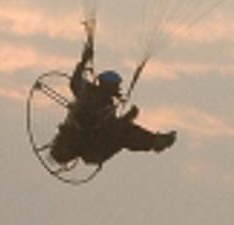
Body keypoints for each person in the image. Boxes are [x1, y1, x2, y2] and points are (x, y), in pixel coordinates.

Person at [49, 26, 176, 166]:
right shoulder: (90, 95)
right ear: (107, 86)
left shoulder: (104, 102)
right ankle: (155, 142)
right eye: (116, 86)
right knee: (125, 132)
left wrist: (127, 118)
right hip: (93, 148)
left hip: (96, 146)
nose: (118, 90)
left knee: (124, 132)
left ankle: (154, 141)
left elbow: (107, 127)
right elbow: (76, 84)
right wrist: (83, 61)